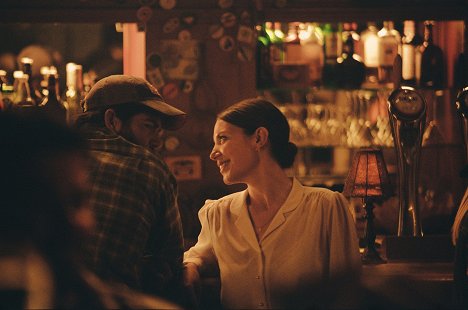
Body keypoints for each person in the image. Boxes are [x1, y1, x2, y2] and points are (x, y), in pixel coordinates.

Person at [183, 97, 362, 309]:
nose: (213, 153)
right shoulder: (218, 214)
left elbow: (348, 296)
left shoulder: (325, 206)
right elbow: (198, 255)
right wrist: (191, 267)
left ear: (259, 138)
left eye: (222, 138)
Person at [0, 112, 179, 309]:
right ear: (112, 121)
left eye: (79, 201)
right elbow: (171, 256)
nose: (81, 222)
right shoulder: (153, 167)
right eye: (148, 126)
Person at [75, 74, 188, 304]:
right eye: (148, 127)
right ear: (111, 120)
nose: (157, 142)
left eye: (159, 131)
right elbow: (168, 259)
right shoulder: (149, 167)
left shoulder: (58, 159)